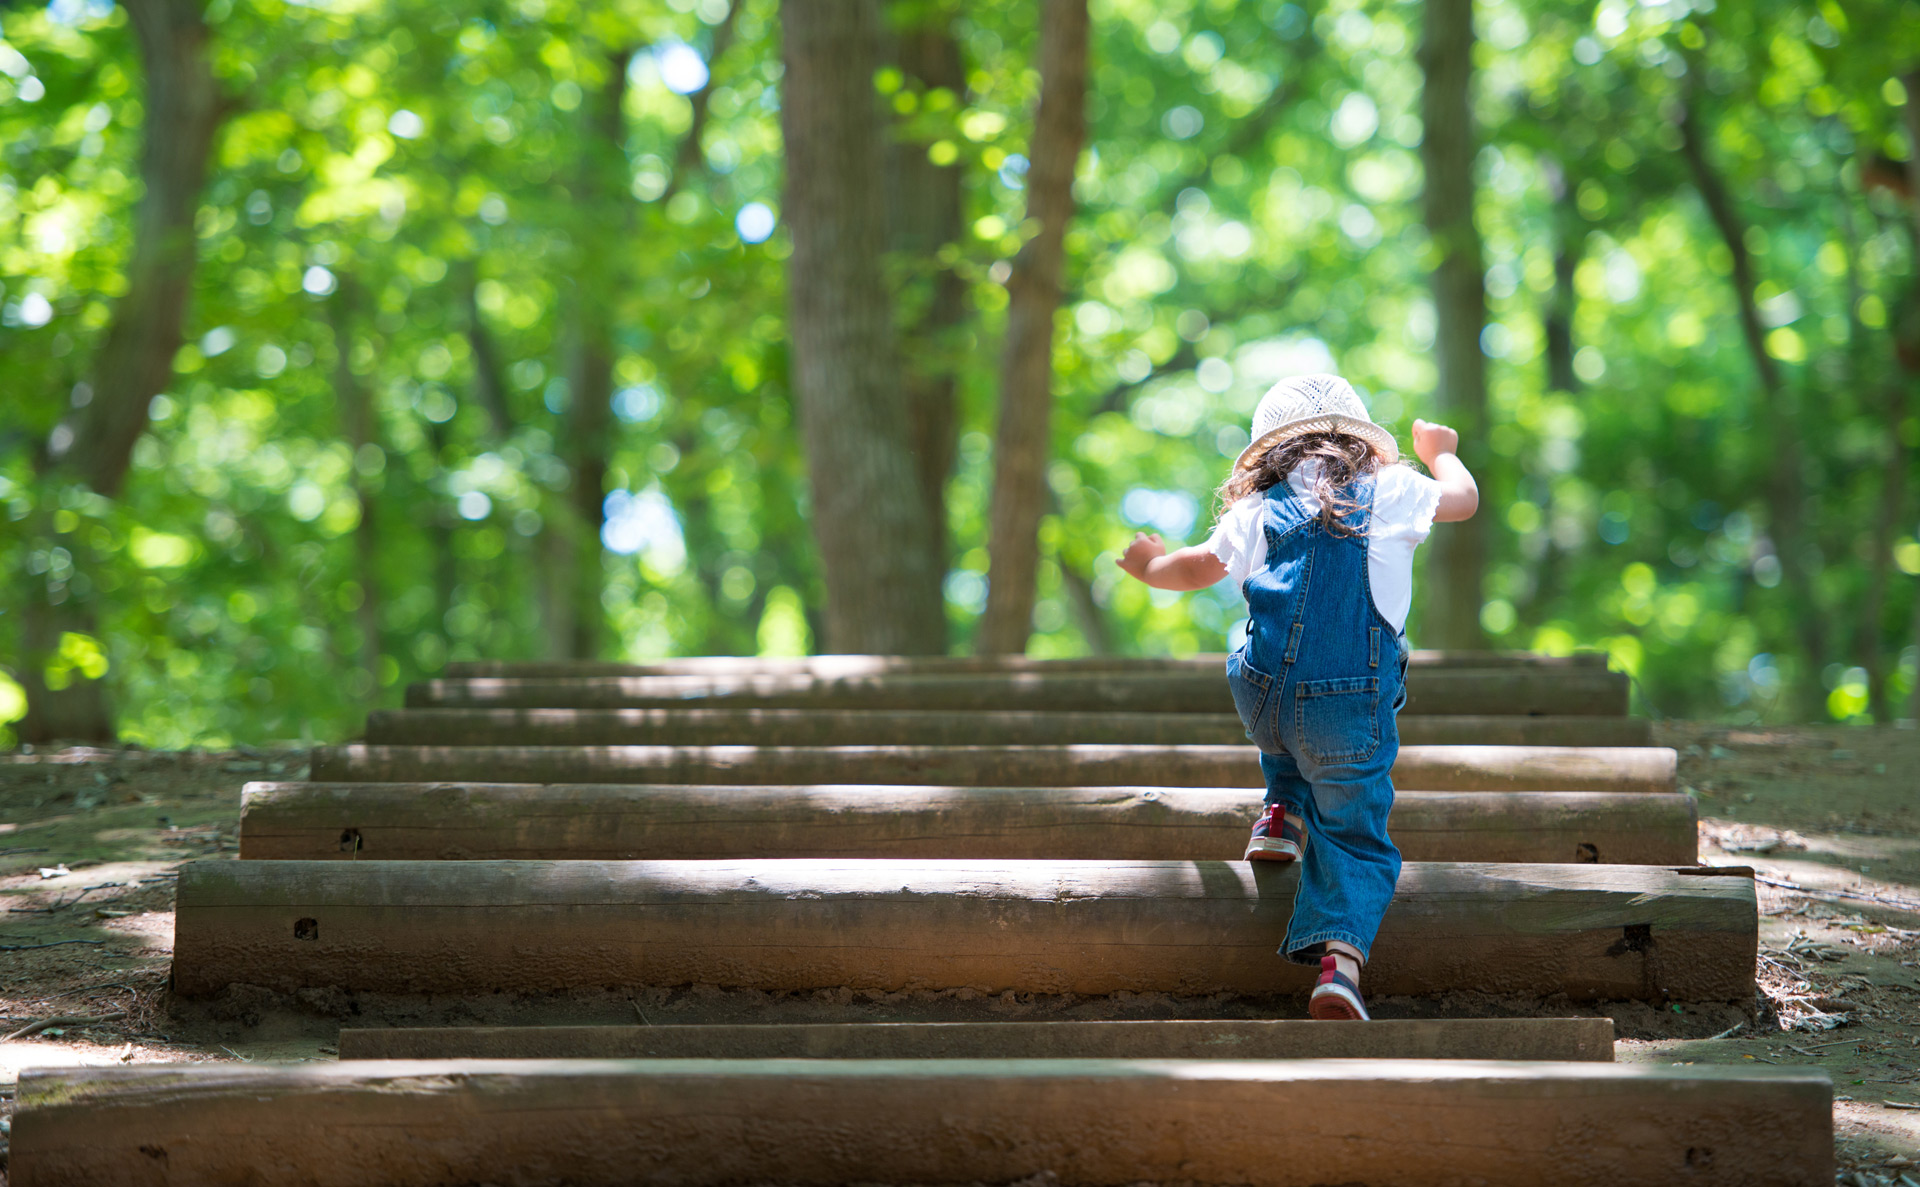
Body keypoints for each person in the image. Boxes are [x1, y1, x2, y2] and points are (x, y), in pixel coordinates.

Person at [1115, 373, 1479, 1020]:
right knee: (1353, 830)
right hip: (1349, 707)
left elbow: (1197, 566)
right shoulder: (1393, 490)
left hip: (1262, 699)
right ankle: (1339, 962)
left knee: (1286, 713)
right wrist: (1439, 451)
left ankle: (1279, 816)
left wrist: (1146, 567)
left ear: (1271, 453)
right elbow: (1462, 499)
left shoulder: (1257, 509)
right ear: (1362, 446)